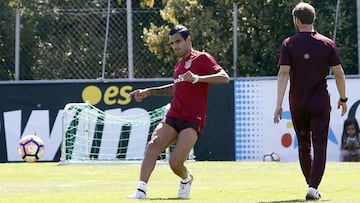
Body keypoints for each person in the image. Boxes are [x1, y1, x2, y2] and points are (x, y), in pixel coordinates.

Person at [127, 25, 230, 199]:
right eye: (172, 43)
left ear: (188, 40)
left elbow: (224, 77)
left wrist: (198, 78)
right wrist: (149, 91)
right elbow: (177, 88)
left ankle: (186, 179)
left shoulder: (202, 58)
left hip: (193, 120)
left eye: (178, 42)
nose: (175, 46)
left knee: (175, 163)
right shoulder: (179, 64)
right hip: (174, 115)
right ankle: (140, 190)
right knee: (153, 145)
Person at [273, 2, 347, 201]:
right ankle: (313, 187)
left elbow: (283, 73)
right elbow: (339, 74)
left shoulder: (289, 43)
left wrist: (279, 104)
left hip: (298, 103)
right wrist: (343, 98)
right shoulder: (327, 43)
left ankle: (311, 186)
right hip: (320, 103)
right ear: (313, 19)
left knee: (304, 145)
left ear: (296, 20)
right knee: (320, 144)